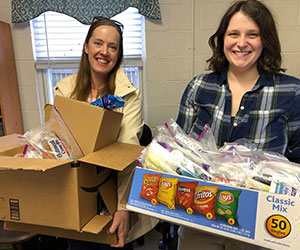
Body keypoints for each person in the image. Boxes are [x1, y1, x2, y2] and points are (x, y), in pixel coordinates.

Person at [176, 0, 300, 249]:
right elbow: (179, 152)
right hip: (200, 217)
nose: (241, 43)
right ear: (223, 39)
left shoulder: (291, 91)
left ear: (265, 40)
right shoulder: (199, 87)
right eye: (234, 34)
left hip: (261, 224)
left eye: (252, 34)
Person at [54, 17, 158, 249]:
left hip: (112, 192)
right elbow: (58, 147)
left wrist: (122, 207)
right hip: (77, 194)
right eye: (98, 43)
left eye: (112, 47)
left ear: (118, 54)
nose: (104, 52)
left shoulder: (128, 96)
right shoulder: (65, 91)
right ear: (86, 47)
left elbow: (128, 152)